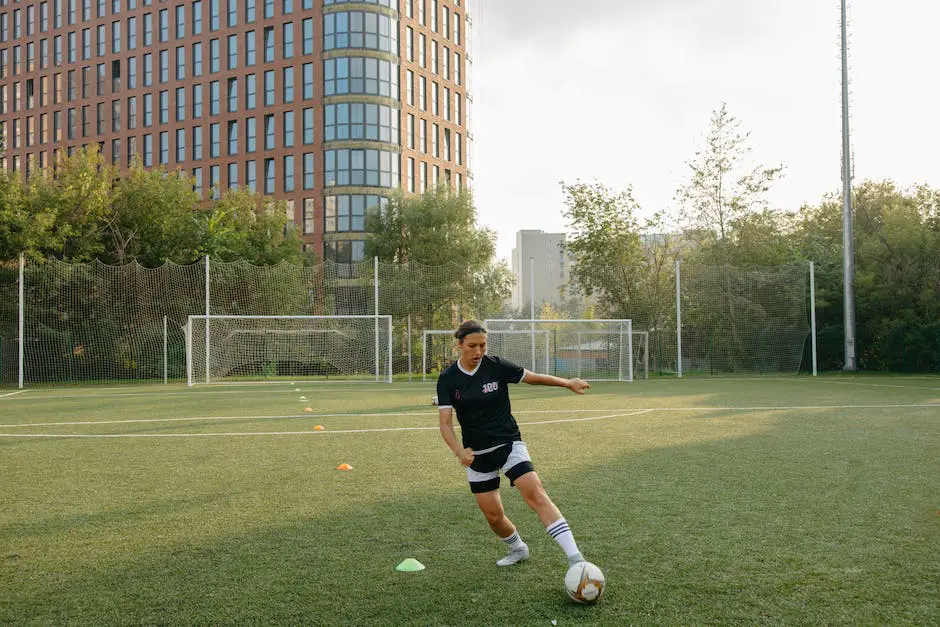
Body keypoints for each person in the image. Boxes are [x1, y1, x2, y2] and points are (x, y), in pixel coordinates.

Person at [437, 319, 591, 567]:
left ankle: (576, 560)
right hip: (477, 455)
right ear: (460, 345)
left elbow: (533, 377)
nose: (478, 352)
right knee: (494, 517)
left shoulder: (496, 366)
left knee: (535, 493)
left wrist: (567, 383)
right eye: (473, 346)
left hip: (508, 443)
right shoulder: (448, 378)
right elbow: (445, 424)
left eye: (483, 345)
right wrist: (459, 451)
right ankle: (518, 548)